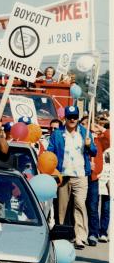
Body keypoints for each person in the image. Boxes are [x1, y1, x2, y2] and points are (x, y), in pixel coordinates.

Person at [47, 105, 97, 250]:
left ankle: (80, 237)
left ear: (78, 118)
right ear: (65, 118)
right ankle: (63, 236)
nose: (72, 119)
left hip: (81, 175)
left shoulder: (85, 132)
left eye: (75, 117)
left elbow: (94, 152)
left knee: (80, 205)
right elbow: (50, 152)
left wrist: (88, 145)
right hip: (63, 176)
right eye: (70, 117)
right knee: (62, 208)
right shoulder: (57, 134)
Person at [80, 117, 110, 246]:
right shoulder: (78, 139)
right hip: (80, 176)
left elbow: (110, 138)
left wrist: (101, 128)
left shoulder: (98, 141)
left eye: (88, 124)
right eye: (83, 124)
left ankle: (93, 233)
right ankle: (77, 233)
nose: (85, 126)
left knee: (92, 206)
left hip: (93, 178)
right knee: (78, 205)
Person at [98, 149, 110, 242]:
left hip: (109, 179)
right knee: (93, 208)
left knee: (106, 209)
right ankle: (93, 231)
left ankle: (103, 232)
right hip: (98, 179)